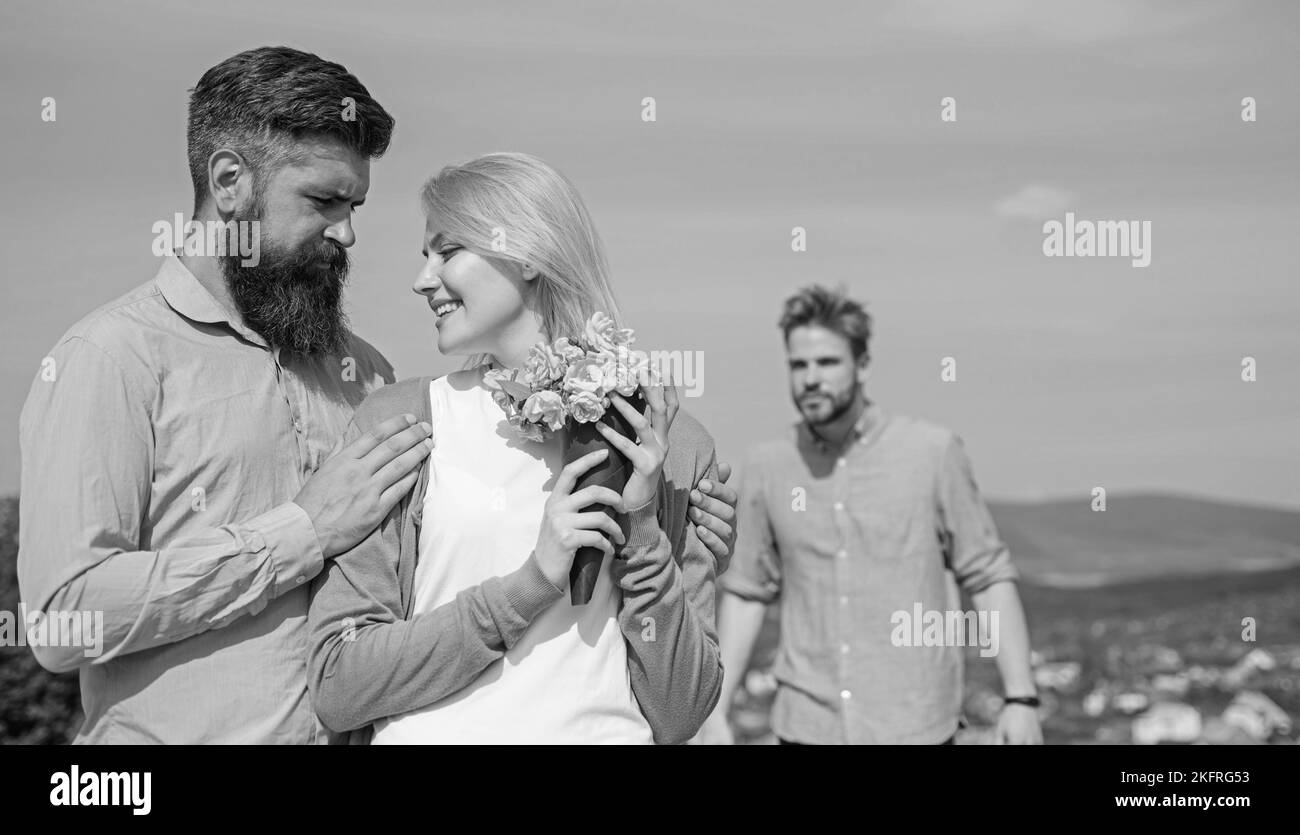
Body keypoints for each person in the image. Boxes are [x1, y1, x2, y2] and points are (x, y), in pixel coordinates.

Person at [17, 47, 738, 744]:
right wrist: (299, 532)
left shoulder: (360, 371)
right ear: (230, 181)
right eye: (324, 201)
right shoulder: (111, 358)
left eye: (356, 203)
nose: (349, 232)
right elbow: (60, 619)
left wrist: (664, 527)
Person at [307, 153, 731, 744]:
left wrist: (640, 529)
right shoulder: (403, 425)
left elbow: (681, 710)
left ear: (528, 254)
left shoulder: (672, 442)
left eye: (447, 251)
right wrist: (532, 582)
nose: (422, 279)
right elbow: (340, 686)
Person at [698, 285, 1042, 745]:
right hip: (805, 726)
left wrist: (1021, 699)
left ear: (863, 365)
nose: (810, 378)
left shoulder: (932, 453)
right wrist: (716, 709)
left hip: (916, 727)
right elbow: (747, 591)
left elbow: (987, 574)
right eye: (798, 365)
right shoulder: (768, 465)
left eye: (827, 362)